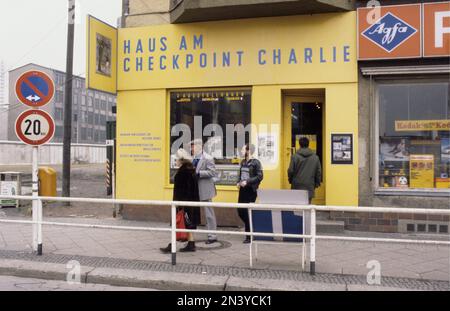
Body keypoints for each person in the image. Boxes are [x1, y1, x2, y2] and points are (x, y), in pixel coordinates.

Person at [160, 149, 201, 253]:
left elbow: (183, 190)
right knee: (188, 224)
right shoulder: (191, 169)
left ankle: (172, 245)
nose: (175, 162)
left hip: (184, 203)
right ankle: (191, 244)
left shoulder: (183, 172)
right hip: (191, 202)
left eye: (176, 160)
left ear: (181, 160)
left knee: (177, 223)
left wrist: (179, 204)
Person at [191, 139, 219, 244]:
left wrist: (199, 174)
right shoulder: (194, 158)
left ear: (199, 146)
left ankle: (212, 236)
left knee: (209, 214)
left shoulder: (208, 158)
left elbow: (212, 172)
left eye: (193, 146)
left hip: (206, 190)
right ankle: (189, 236)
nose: (191, 148)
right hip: (195, 190)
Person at [236, 144, 263, 244]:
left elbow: (260, 176)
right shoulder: (243, 162)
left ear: (249, 151)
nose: (241, 151)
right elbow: (240, 174)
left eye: (243, 149)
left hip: (251, 190)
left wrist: (247, 181)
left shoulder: (256, 163)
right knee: (240, 211)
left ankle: (249, 236)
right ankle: (251, 228)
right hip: (242, 190)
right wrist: (238, 182)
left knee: (247, 212)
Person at [288, 137, 322, 204]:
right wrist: (316, 184)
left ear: (299, 144)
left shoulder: (295, 156)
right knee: (307, 206)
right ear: (308, 144)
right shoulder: (315, 157)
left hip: (296, 184)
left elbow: (290, 170)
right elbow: (318, 172)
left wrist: (291, 180)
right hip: (309, 184)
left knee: (296, 206)